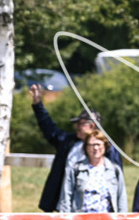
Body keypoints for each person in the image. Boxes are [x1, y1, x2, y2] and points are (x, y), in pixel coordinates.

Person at [29, 83, 123, 212]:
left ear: (91, 126)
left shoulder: (109, 149)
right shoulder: (68, 142)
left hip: (99, 209)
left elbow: (117, 182)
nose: (76, 127)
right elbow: (49, 128)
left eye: (80, 124)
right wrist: (37, 104)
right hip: (67, 207)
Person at [57, 130, 128, 213]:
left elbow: (122, 200)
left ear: (105, 146)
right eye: (92, 145)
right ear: (86, 147)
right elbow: (65, 198)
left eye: (98, 144)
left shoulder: (115, 170)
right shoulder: (76, 169)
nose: (95, 148)